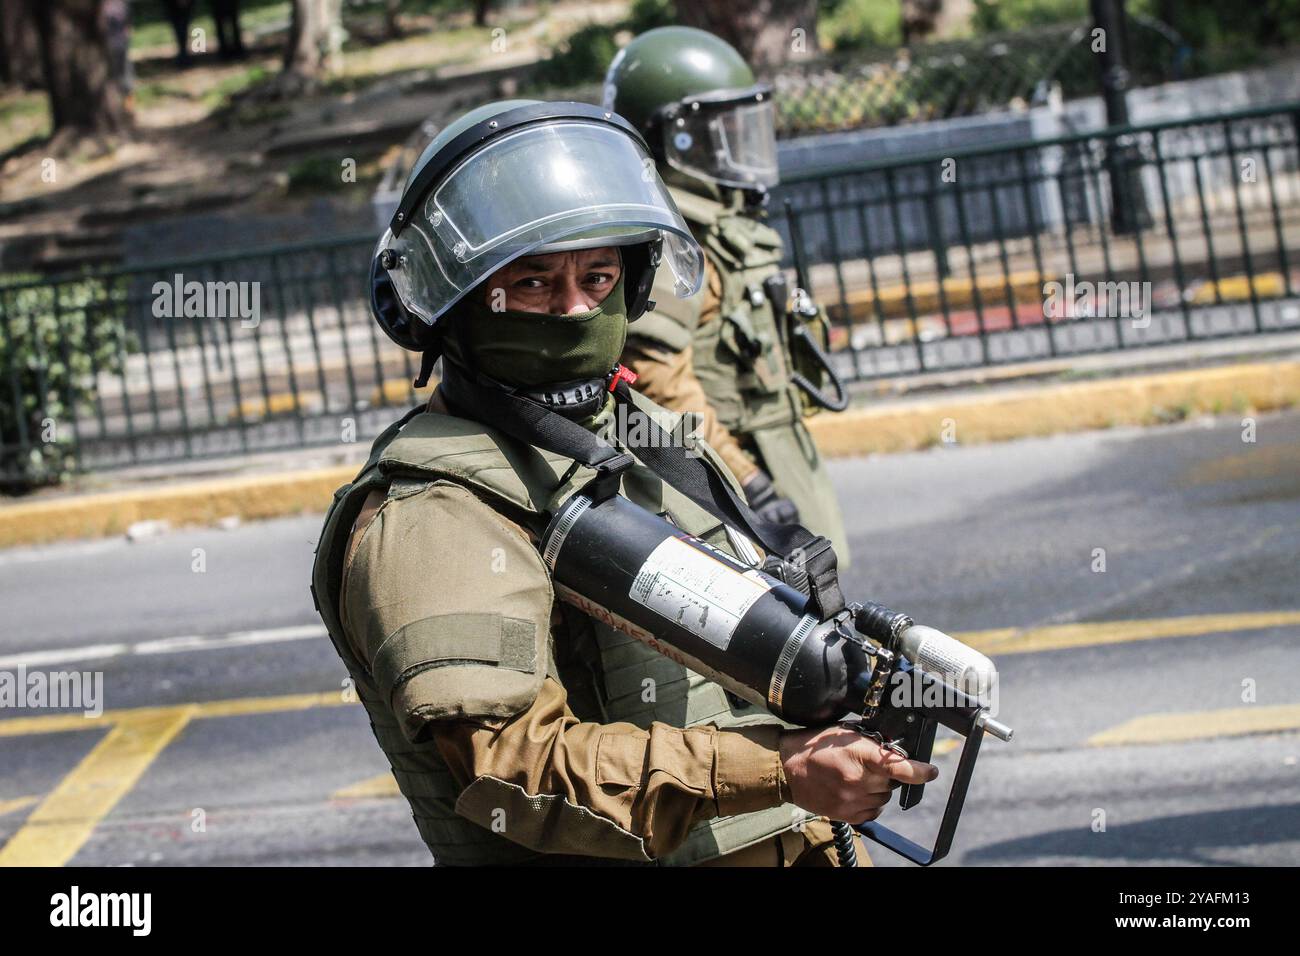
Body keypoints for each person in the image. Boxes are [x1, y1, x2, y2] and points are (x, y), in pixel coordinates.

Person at [310, 100, 936, 866]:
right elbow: (516, 773)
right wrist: (781, 771)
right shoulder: (432, 510)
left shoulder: (632, 432)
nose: (575, 307)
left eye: (597, 276)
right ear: (453, 301)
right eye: (533, 283)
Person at [604, 26, 851, 563]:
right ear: (673, 139)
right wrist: (748, 481)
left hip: (769, 464)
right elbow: (657, 384)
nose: (737, 146)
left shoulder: (718, 228)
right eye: (718, 131)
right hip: (732, 489)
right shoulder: (675, 242)